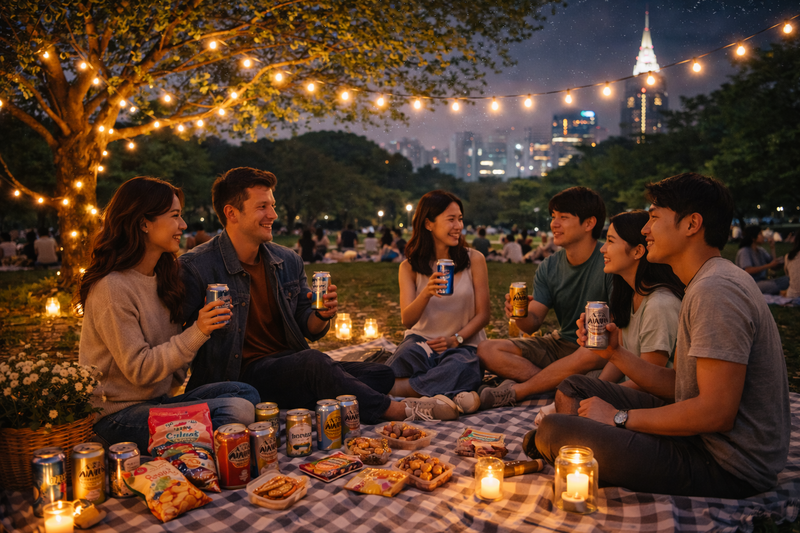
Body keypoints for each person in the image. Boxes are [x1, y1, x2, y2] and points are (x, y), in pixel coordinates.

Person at [532, 173, 790, 499]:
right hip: (701, 439)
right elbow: (682, 385)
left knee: (556, 430)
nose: (645, 229)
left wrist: (618, 418)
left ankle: (580, 447)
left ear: (691, 224)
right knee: (575, 388)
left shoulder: (716, 291)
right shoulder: (704, 282)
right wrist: (615, 353)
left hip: (728, 465)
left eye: (653, 218)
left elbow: (716, 412)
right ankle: (587, 447)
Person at [179, 167, 454, 424]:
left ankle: (322, 393)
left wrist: (321, 315)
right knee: (316, 365)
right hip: (237, 378)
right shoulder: (197, 267)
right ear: (232, 213)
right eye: (262, 207)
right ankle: (394, 410)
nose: (273, 215)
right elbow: (177, 340)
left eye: (272, 205)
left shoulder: (286, 260)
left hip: (286, 365)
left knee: (379, 373)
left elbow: (308, 328)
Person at [78, 177, 259, 452]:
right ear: (143, 222)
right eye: (175, 216)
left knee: (246, 393)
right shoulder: (112, 288)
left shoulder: (165, 280)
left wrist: (208, 328)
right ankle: (183, 457)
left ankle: (182, 447)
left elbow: (173, 374)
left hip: (158, 403)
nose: (183, 226)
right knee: (236, 411)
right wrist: (197, 332)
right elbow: (140, 370)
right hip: (117, 419)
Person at [532, 211, 683, 423]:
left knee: (571, 391)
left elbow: (650, 380)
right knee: (581, 382)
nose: (603, 248)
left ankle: (566, 430)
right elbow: (620, 357)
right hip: (632, 389)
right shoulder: (631, 295)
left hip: (654, 406)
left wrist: (597, 397)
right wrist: (596, 389)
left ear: (638, 250)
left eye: (610, 241)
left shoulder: (659, 304)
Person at [477, 187, 612, 409]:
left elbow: (614, 334)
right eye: (553, 217)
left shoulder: (608, 261)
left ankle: (522, 390)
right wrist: (518, 314)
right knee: (486, 350)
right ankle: (553, 385)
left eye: (563, 218)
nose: (554, 224)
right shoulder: (549, 266)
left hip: (594, 350)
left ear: (589, 224)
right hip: (559, 344)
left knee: (591, 354)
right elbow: (533, 323)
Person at [386, 190, 490, 419]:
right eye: (451, 219)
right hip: (422, 341)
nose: (458, 226)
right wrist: (426, 293)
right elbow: (407, 320)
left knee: (462, 368)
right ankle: (451, 396)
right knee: (401, 359)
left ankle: (401, 391)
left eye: (460, 219)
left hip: (463, 344)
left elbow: (483, 315)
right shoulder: (408, 267)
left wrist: (456, 339)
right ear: (429, 224)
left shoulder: (475, 259)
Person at [735, 226, 789, 295]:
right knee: (773, 285)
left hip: (763, 281)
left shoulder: (760, 251)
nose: (763, 236)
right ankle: (780, 292)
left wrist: (772, 247)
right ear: (753, 237)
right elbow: (748, 270)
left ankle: (780, 291)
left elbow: (773, 266)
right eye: (760, 234)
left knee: (788, 280)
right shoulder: (744, 251)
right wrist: (769, 265)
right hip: (750, 284)